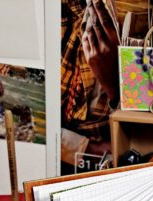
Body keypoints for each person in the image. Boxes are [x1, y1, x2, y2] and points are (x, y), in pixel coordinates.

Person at [61, 0, 120, 173]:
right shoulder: (53, 15)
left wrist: (114, 85)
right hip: (54, 161)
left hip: (116, 165)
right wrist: (84, 148)